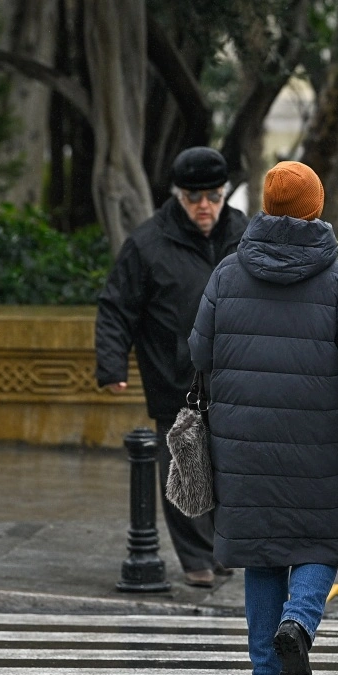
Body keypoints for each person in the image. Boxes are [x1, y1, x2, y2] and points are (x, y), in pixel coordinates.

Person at [189, 161, 338, 675]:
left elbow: (197, 354)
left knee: (262, 557)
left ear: (265, 206)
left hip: (242, 440)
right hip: (320, 441)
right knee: (320, 541)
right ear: (316, 209)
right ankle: (298, 624)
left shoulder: (227, 275)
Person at [95, 146, 248, 588]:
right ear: (177, 196)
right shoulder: (147, 243)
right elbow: (116, 307)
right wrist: (111, 365)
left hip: (236, 377)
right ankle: (196, 557)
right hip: (174, 378)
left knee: (229, 469)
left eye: (213, 197)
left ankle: (222, 549)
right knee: (185, 469)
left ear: (224, 195)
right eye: (193, 197)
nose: (205, 206)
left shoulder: (246, 235)